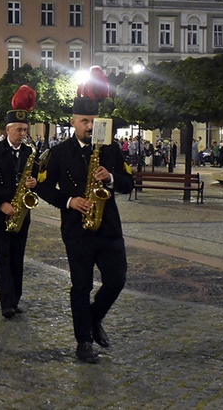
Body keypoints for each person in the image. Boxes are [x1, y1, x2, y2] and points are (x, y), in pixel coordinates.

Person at [36, 67, 135, 364]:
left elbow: (130, 182)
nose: (90, 126)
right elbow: (41, 186)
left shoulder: (109, 148)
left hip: (108, 228)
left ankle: (94, 318)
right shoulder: (59, 152)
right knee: (81, 286)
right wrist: (68, 201)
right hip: (77, 230)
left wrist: (113, 177)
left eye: (93, 121)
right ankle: (83, 341)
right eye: (84, 121)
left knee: (117, 280)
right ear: (73, 122)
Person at [0, 85, 39, 319]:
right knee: (2, 257)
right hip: (0, 214)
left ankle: (16, 298)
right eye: (19, 129)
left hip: (22, 213)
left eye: (25, 129)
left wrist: (34, 184)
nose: (23, 133)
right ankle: (7, 303)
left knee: (17, 258)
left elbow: (37, 179)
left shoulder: (29, 152)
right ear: (8, 130)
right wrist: (1, 204)